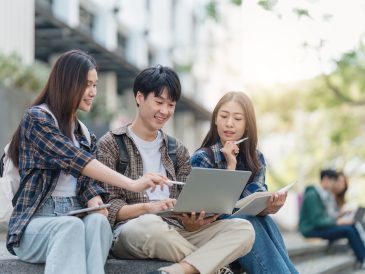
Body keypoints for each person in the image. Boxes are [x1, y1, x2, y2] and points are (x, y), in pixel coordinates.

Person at [6, 50, 168, 274]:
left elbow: (87, 180)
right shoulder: (37, 119)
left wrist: (95, 201)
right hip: (35, 225)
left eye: (95, 85)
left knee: (99, 223)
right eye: (87, 85)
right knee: (70, 227)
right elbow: (75, 160)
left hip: (74, 215)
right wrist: (132, 183)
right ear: (67, 83)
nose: (93, 92)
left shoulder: (84, 134)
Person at [96, 66, 255, 274]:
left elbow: (186, 206)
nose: (165, 111)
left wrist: (193, 222)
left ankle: (177, 271)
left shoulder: (177, 149)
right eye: (159, 102)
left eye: (170, 104)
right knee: (149, 225)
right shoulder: (111, 144)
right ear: (139, 97)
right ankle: (217, 270)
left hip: (176, 232)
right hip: (133, 230)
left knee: (243, 229)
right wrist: (149, 208)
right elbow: (108, 208)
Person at [191, 91, 298, 274]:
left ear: (247, 125)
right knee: (248, 222)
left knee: (264, 220)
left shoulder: (256, 159)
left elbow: (252, 201)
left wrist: (269, 207)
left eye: (237, 118)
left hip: (245, 229)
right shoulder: (203, 158)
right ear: (215, 119)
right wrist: (230, 166)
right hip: (211, 233)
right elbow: (211, 209)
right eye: (224, 116)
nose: (229, 123)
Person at [299, 169, 365, 268]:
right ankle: (362, 258)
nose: (333, 185)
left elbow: (324, 217)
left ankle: (363, 256)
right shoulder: (312, 195)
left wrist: (340, 217)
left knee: (351, 227)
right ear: (325, 179)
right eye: (333, 182)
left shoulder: (321, 194)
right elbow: (317, 221)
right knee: (348, 230)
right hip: (310, 230)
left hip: (318, 227)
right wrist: (337, 222)